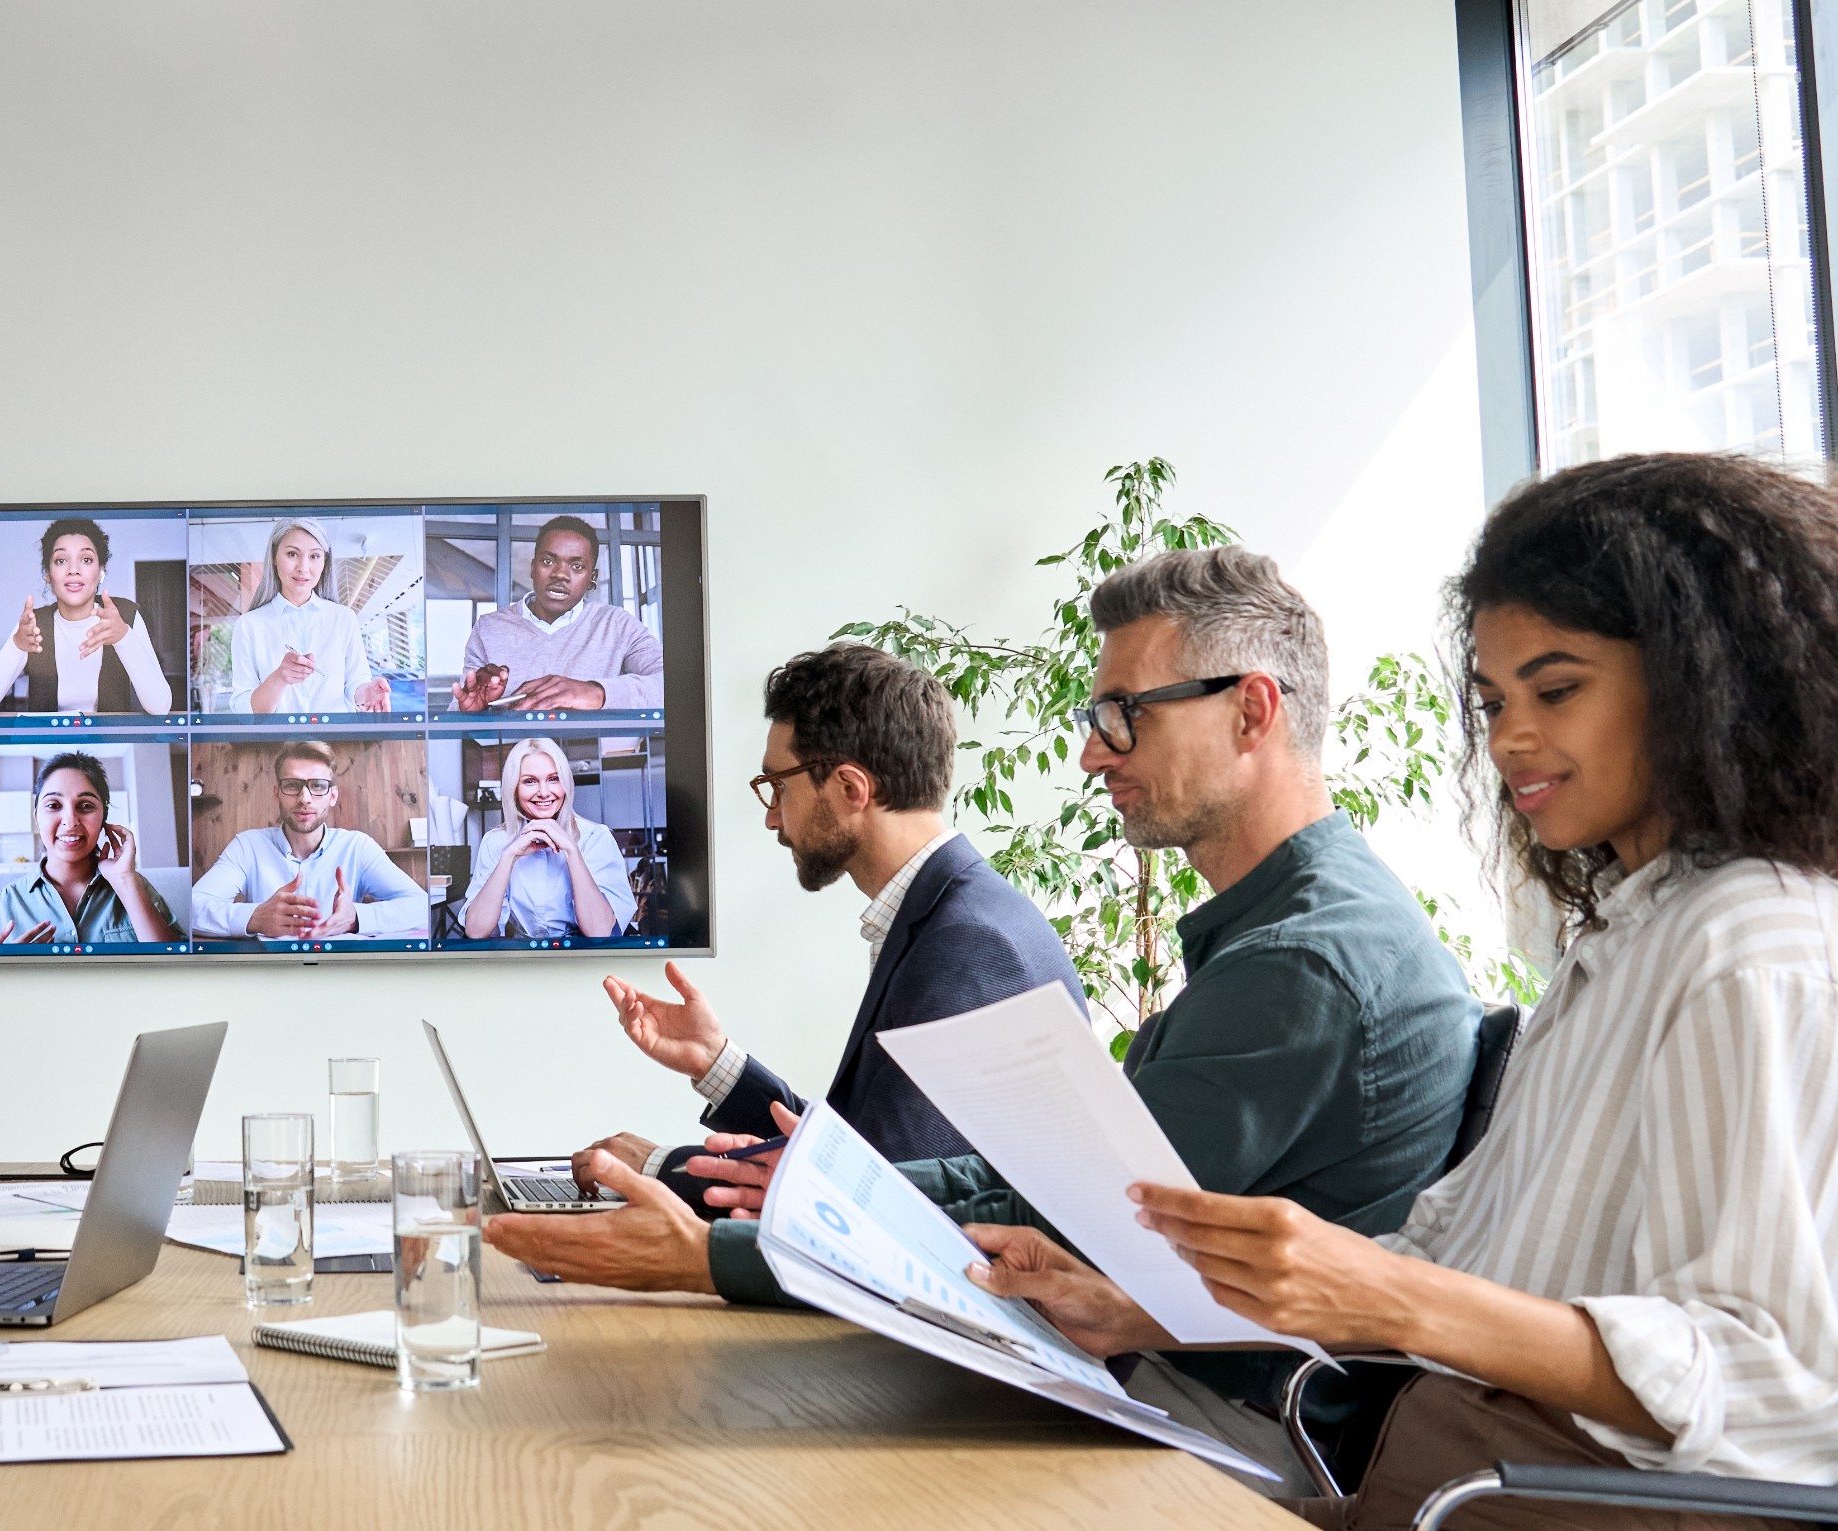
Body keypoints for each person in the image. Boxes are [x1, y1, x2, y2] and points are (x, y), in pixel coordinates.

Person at [973, 454, 1838, 1529]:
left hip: (1535, 1500)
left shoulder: (1749, 945)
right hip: (1439, 1473)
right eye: (1491, 700)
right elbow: (1441, 1256)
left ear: (1702, 681)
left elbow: (1773, 1383)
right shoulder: (1622, 930)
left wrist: (1382, 1294)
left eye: (1555, 689)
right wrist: (1137, 1305)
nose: (1511, 737)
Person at [487, 548, 1476, 1467]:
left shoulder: (1302, 960)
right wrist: (796, 1185)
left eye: (1125, 715)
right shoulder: (1284, 930)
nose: (1093, 756)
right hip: (1159, 1377)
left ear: (1252, 713)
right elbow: (1043, 1183)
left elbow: (1070, 1218)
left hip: (1212, 1424)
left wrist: (714, 1254)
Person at [490, 643, 1078, 1287]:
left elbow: (878, 1217)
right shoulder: (950, 912)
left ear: (851, 788)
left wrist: (663, 1170)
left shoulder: (967, 943)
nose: (771, 815)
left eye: (777, 786)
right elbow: (862, 1162)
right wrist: (718, 1065)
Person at [187, 740, 428, 940]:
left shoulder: (357, 847)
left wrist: (355, 918)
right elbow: (193, 907)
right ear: (276, 793)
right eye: (292, 785)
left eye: (318, 786)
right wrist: (255, 918)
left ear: (332, 796)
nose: (305, 798)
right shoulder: (247, 847)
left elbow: (421, 906)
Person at [455, 515, 665, 712]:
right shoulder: (489, 628)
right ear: (532, 568)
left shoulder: (618, 625)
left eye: (577, 566)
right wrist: (472, 712)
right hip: (515, 752)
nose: (560, 574)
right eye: (548, 561)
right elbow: (460, 708)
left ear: (592, 578)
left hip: (590, 752)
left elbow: (672, 686)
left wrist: (596, 692)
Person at [0, 751, 185, 945]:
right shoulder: (8, 899)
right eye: (53, 805)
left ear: (104, 818)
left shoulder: (134, 885)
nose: (70, 821)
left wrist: (126, 881)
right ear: (37, 818)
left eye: (85, 806)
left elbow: (177, 970)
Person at [0, 518, 173, 715]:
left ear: (101, 570)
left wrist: (124, 638)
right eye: (61, 560)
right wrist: (17, 646)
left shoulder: (125, 615)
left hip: (111, 750)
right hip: (49, 750)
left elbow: (160, 707)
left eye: (86, 559)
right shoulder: (34, 624)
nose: (74, 570)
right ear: (47, 573)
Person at [436, 736, 636, 940]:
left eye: (553, 779)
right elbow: (476, 931)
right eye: (529, 781)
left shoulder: (596, 837)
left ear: (565, 784)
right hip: (525, 958)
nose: (543, 792)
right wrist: (509, 856)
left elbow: (599, 931)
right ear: (514, 789)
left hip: (587, 958)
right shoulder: (496, 842)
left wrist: (572, 851)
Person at [219, 518, 391, 713]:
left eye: (314, 556)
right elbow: (243, 711)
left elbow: (355, 683)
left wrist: (367, 692)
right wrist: (279, 678)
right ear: (274, 557)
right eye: (292, 554)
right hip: (277, 742)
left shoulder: (344, 618)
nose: (303, 567)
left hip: (336, 739)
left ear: (324, 562)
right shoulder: (249, 625)